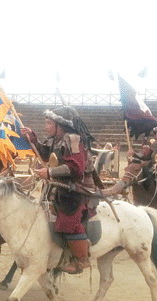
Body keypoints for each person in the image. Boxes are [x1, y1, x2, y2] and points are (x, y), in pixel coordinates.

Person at [22, 105, 97, 274]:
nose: (46, 126)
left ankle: (81, 260)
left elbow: (75, 168)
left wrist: (49, 172)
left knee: (68, 221)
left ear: (60, 125)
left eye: (49, 123)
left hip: (77, 189)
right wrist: (31, 138)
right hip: (61, 186)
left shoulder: (73, 139)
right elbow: (44, 155)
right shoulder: (55, 140)